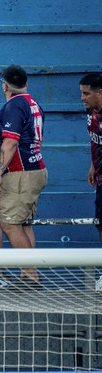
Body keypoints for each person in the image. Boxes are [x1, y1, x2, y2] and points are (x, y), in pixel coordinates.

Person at [0, 66, 47, 289]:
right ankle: (28, 275)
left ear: (4, 86)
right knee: (23, 224)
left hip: (20, 173)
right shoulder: (34, 104)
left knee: (10, 225)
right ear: (26, 84)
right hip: (35, 169)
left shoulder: (14, 105)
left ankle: (30, 275)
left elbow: (11, 142)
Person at [79, 72, 102, 291]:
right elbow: (95, 140)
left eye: (87, 94)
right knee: (100, 222)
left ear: (100, 92)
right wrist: (93, 166)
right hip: (100, 177)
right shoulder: (91, 113)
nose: (83, 98)